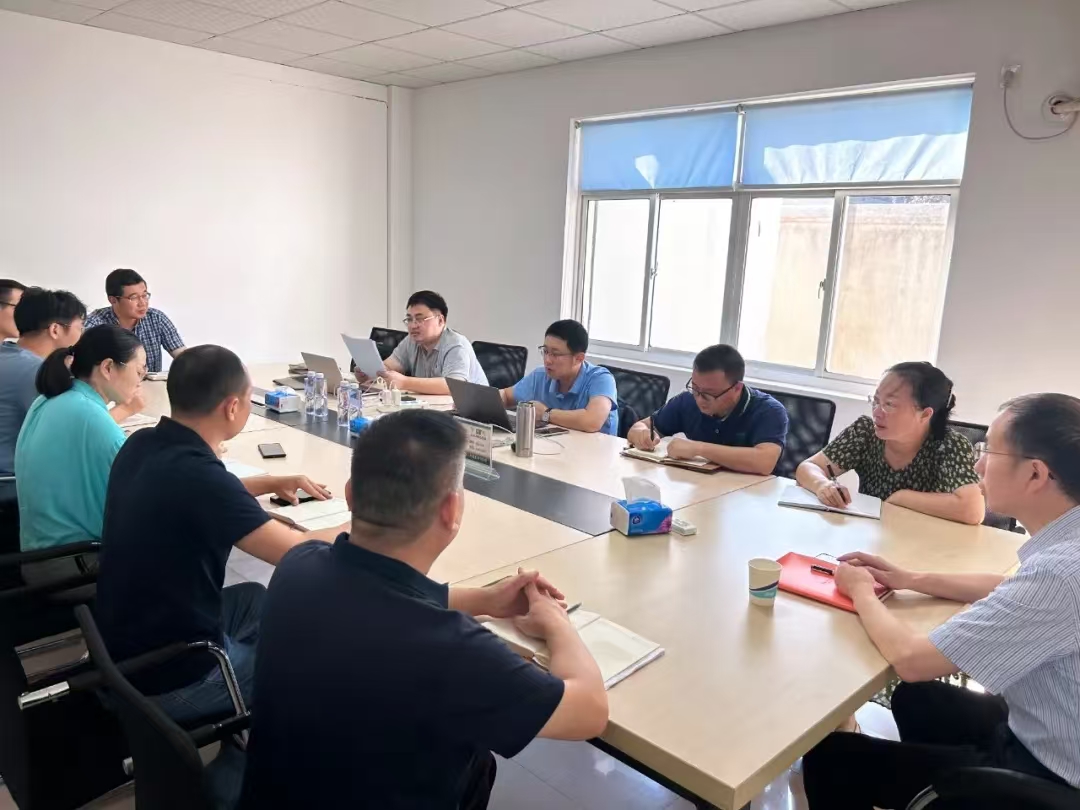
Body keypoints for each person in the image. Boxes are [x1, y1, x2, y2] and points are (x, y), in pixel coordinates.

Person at [240, 410, 608, 809]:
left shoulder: (300, 563)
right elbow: (589, 711)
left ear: (349, 494)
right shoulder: (451, 649)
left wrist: (485, 600)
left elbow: (384, 598)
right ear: (451, 511)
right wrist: (556, 622)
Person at [802, 393, 1080, 809]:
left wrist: (860, 590)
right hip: (1050, 731)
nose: (979, 465)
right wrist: (910, 579)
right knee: (917, 699)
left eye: (990, 451)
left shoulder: (1060, 574)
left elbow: (912, 660)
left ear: (1035, 474)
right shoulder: (1067, 547)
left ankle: (953, 794)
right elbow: (1014, 587)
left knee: (832, 759)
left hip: (1050, 774)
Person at [15, 325, 145, 582]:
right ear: (108, 367)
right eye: (139, 371)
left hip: (37, 559)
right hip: (75, 566)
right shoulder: (90, 416)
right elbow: (142, 495)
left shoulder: (49, 399)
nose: (140, 380)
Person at [795, 361, 985, 525]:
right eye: (876, 401)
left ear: (925, 414)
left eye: (890, 404)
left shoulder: (950, 444)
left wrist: (902, 498)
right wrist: (823, 485)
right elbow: (808, 467)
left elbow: (973, 510)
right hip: (871, 535)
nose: (877, 412)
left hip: (927, 542)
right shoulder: (865, 432)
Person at [626, 344, 788, 475]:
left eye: (709, 394)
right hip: (703, 487)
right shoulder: (687, 401)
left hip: (755, 494)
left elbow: (764, 462)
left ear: (737, 388)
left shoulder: (768, 410)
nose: (700, 399)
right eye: (695, 388)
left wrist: (699, 449)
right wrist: (641, 434)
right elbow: (641, 426)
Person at [1, 288, 88, 505]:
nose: (82, 335)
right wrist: (127, 408)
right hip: (13, 487)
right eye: (80, 327)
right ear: (55, 330)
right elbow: (73, 436)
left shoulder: (7, 354)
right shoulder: (37, 371)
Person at [500, 319, 618, 435]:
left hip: (594, 447)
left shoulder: (601, 379)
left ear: (579, 358)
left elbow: (592, 421)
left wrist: (546, 414)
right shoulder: (540, 375)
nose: (547, 360)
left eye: (555, 354)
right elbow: (506, 395)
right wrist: (490, 402)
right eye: (545, 351)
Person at [375, 290, 487, 395]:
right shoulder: (411, 341)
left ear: (440, 320)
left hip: (474, 407)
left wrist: (405, 382)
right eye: (409, 319)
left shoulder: (456, 345)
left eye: (420, 319)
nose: (413, 325)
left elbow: (454, 386)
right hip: (433, 404)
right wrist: (373, 373)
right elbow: (389, 366)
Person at [85, 268, 185, 374]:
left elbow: (182, 356)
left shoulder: (156, 318)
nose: (142, 303)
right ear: (113, 300)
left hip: (149, 383)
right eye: (133, 298)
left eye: (144, 295)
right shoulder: (95, 324)